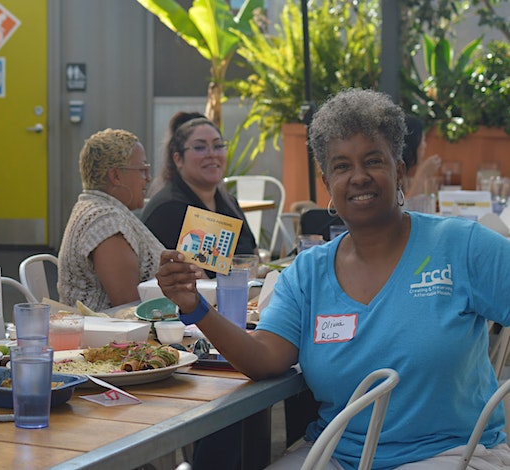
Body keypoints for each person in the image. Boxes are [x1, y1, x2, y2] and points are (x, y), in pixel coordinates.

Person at [157, 88, 510, 469]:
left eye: (373, 161)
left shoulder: (459, 245)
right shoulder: (308, 273)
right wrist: (194, 306)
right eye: (342, 166)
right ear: (327, 183)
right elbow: (265, 359)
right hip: (336, 455)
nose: (358, 177)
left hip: (454, 454)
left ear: (399, 171)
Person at [56, 129, 164, 312]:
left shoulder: (95, 208)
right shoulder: (105, 223)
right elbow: (129, 307)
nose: (148, 178)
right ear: (115, 176)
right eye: (142, 170)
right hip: (108, 337)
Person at [140, 112, 257, 276]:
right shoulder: (168, 209)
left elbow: (254, 256)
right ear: (178, 159)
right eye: (200, 147)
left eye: (218, 146)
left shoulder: (228, 202)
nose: (212, 154)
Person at [402, 114, 441, 209]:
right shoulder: (393, 173)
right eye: (423, 140)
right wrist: (422, 174)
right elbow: (404, 211)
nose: (425, 145)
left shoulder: (406, 175)